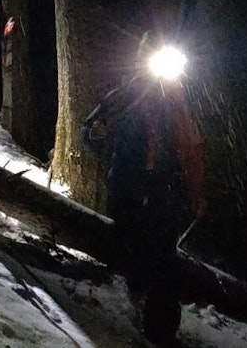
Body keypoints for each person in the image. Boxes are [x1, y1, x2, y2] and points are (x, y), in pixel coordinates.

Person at [80, 40, 207, 346]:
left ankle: (159, 332)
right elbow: (90, 130)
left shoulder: (176, 105)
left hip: (161, 192)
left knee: (164, 264)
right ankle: (138, 305)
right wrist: (105, 144)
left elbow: (191, 151)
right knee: (139, 255)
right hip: (128, 189)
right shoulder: (125, 96)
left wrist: (197, 195)